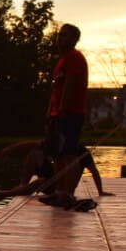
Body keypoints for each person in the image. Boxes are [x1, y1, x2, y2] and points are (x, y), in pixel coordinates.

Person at [40, 23, 95, 209]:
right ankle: (58, 192)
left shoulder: (75, 58)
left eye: (64, 36)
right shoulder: (61, 61)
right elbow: (56, 90)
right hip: (58, 114)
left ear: (74, 39)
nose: (59, 38)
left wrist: (62, 111)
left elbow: (70, 87)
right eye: (59, 35)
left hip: (70, 114)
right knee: (58, 155)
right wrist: (50, 113)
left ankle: (67, 194)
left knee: (68, 154)